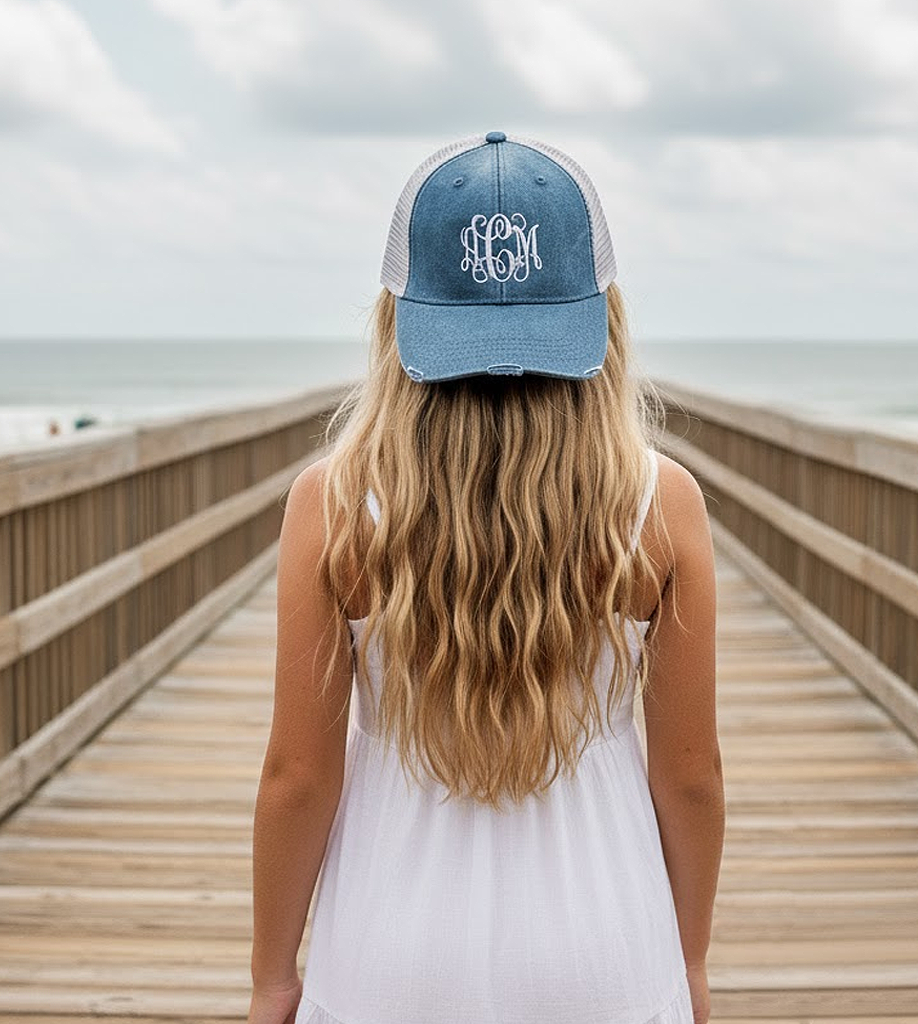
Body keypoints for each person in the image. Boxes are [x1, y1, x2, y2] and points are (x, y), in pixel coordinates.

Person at [247, 131, 724, 1024]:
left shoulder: (335, 505)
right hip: (608, 955)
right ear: (601, 318)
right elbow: (690, 777)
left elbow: (297, 777)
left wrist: (272, 976)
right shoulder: (661, 507)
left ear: (398, 319)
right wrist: (689, 958)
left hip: (387, 960)